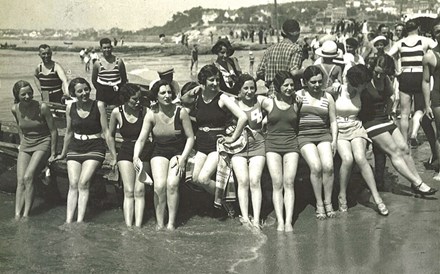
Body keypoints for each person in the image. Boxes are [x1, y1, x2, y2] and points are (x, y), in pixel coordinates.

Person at [358, 58, 437, 196]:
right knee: (394, 151)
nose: (378, 76)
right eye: (376, 72)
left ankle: (415, 183)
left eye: (382, 73)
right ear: (372, 67)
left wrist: (389, 111)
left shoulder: (386, 80)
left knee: (405, 149)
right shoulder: (365, 80)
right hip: (370, 122)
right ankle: (419, 183)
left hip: (384, 119)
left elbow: (390, 97)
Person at [133, 80, 195, 230]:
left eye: (169, 92)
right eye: (163, 93)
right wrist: (136, 157)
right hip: (159, 151)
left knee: (172, 184)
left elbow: (190, 138)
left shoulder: (181, 112)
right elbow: (141, 139)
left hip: (178, 152)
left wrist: (183, 158)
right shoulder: (151, 114)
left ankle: (171, 224)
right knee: (159, 186)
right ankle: (160, 223)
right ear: (156, 96)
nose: (167, 96)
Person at [181, 65, 247, 201]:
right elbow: (183, 100)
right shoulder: (198, 97)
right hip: (201, 145)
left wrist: (232, 138)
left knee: (203, 179)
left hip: (216, 146)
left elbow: (243, 117)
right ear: (204, 81)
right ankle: (224, 198)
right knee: (194, 178)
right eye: (211, 80)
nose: (216, 83)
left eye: (217, 80)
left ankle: (227, 201)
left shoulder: (222, 98)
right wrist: (194, 90)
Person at [54, 78, 112, 223]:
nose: (84, 93)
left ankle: (79, 221)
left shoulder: (98, 105)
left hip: (95, 147)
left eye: (86, 89)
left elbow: (106, 132)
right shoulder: (70, 108)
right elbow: (68, 132)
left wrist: (114, 156)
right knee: (73, 183)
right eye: (80, 91)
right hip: (75, 146)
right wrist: (62, 153)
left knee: (83, 182)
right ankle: (68, 221)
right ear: (73, 93)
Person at [333, 65, 388, 216]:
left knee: (360, 157)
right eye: (361, 83)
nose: (363, 86)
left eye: (365, 83)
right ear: (351, 81)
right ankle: (342, 195)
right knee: (347, 159)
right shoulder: (337, 90)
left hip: (356, 127)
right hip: (339, 130)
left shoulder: (363, 93)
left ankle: (376, 198)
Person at [260, 71, 301, 232]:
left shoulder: (297, 103)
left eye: (292, 85)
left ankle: (289, 221)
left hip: (291, 144)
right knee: (277, 184)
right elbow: (245, 101)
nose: (290, 88)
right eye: (286, 85)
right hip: (272, 145)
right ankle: (280, 221)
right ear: (278, 87)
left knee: (289, 182)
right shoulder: (268, 103)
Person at [296, 66, 338, 220]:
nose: (317, 85)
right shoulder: (298, 95)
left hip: (323, 135)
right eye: (313, 82)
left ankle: (328, 202)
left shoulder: (328, 97)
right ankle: (319, 203)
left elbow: (333, 121)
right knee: (316, 166)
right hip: (304, 136)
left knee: (328, 166)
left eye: (320, 81)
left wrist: (334, 140)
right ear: (305, 82)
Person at [11, 81, 58, 219]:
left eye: (29, 93)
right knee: (20, 180)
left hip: (43, 143)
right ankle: (17, 215)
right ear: (17, 95)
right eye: (23, 94)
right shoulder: (15, 108)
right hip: (26, 144)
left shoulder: (42, 107)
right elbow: (20, 127)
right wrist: (21, 143)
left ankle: (26, 216)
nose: (27, 96)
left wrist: (53, 153)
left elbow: (53, 131)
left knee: (28, 177)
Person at [108, 83, 152, 227]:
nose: (138, 102)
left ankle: (138, 226)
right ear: (125, 99)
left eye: (139, 98)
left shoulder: (145, 111)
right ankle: (128, 226)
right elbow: (110, 135)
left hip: (143, 151)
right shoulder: (117, 112)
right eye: (134, 99)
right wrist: (114, 156)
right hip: (126, 150)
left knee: (139, 190)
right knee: (128, 190)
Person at [387, 19, 437, 145]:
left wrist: (396, 70)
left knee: (404, 113)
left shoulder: (400, 42)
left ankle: (404, 141)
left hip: (405, 76)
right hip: (420, 75)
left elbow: (389, 55)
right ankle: (414, 133)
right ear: (418, 28)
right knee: (419, 109)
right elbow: (437, 49)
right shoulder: (425, 40)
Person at [231, 74, 266, 230]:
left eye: (252, 88)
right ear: (239, 90)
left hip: (258, 145)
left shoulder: (260, 101)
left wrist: (265, 121)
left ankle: (257, 219)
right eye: (245, 88)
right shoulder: (233, 103)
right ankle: (245, 217)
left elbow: (278, 103)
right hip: (238, 147)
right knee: (243, 181)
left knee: (255, 180)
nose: (249, 91)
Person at [257, 19, 303, 95]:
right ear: (298, 34)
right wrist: (305, 71)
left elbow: (259, 72)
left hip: (272, 93)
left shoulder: (270, 49)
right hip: (289, 93)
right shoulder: (296, 49)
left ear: (283, 32)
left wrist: (272, 79)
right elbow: (294, 72)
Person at [422, 19, 440, 180]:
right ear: (433, 34)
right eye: (437, 31)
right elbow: (426, 81)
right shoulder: (430, 55)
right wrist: (427, 104)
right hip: (438, 98)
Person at [92, 38, 128, 106]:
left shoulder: (119, 62)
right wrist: (102, 89)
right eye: (104, 48)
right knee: (101, 114)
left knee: (116, 113)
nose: (107, 50)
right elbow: (94, 80)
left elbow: (124, 79)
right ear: (101, 49)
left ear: (111, 48)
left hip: (116, 93)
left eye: (108, 47)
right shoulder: (97, 63)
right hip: (102, 93)